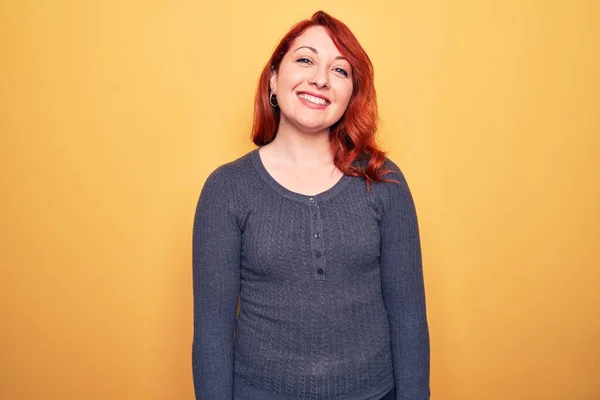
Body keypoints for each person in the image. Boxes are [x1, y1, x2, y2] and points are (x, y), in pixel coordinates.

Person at [192, 10, 430, 400]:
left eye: (340, 70)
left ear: (352, 94)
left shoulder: (383, 181)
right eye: (305, 59)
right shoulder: (226, 189)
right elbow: (212, 335)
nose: (320, 78)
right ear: (274, 78)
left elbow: (409, 320)